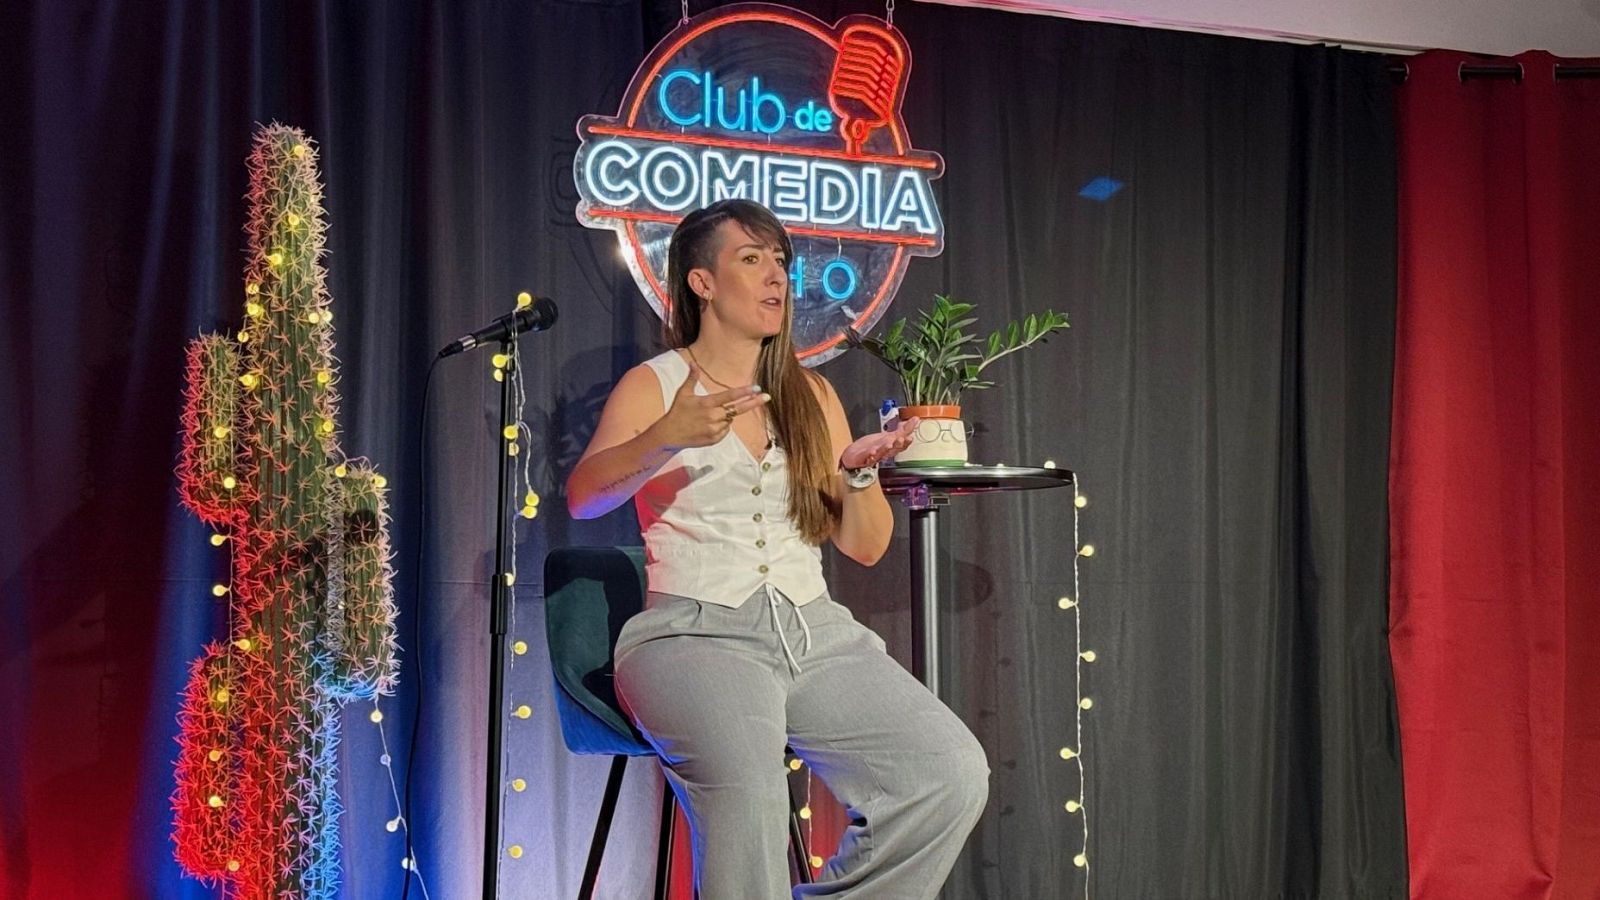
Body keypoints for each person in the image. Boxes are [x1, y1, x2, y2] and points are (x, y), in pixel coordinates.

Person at [566, 199, 989, 898]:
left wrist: (856, 473)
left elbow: (865, 547)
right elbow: (584, 496)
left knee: (947, 772)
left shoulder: (810, 394)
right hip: (691, 634)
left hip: (813, 633)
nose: (776, 278)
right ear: (702, 282)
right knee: (750, 791)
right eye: (752, 259)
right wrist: (664, 437)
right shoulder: (657, 386)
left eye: (782, 264)